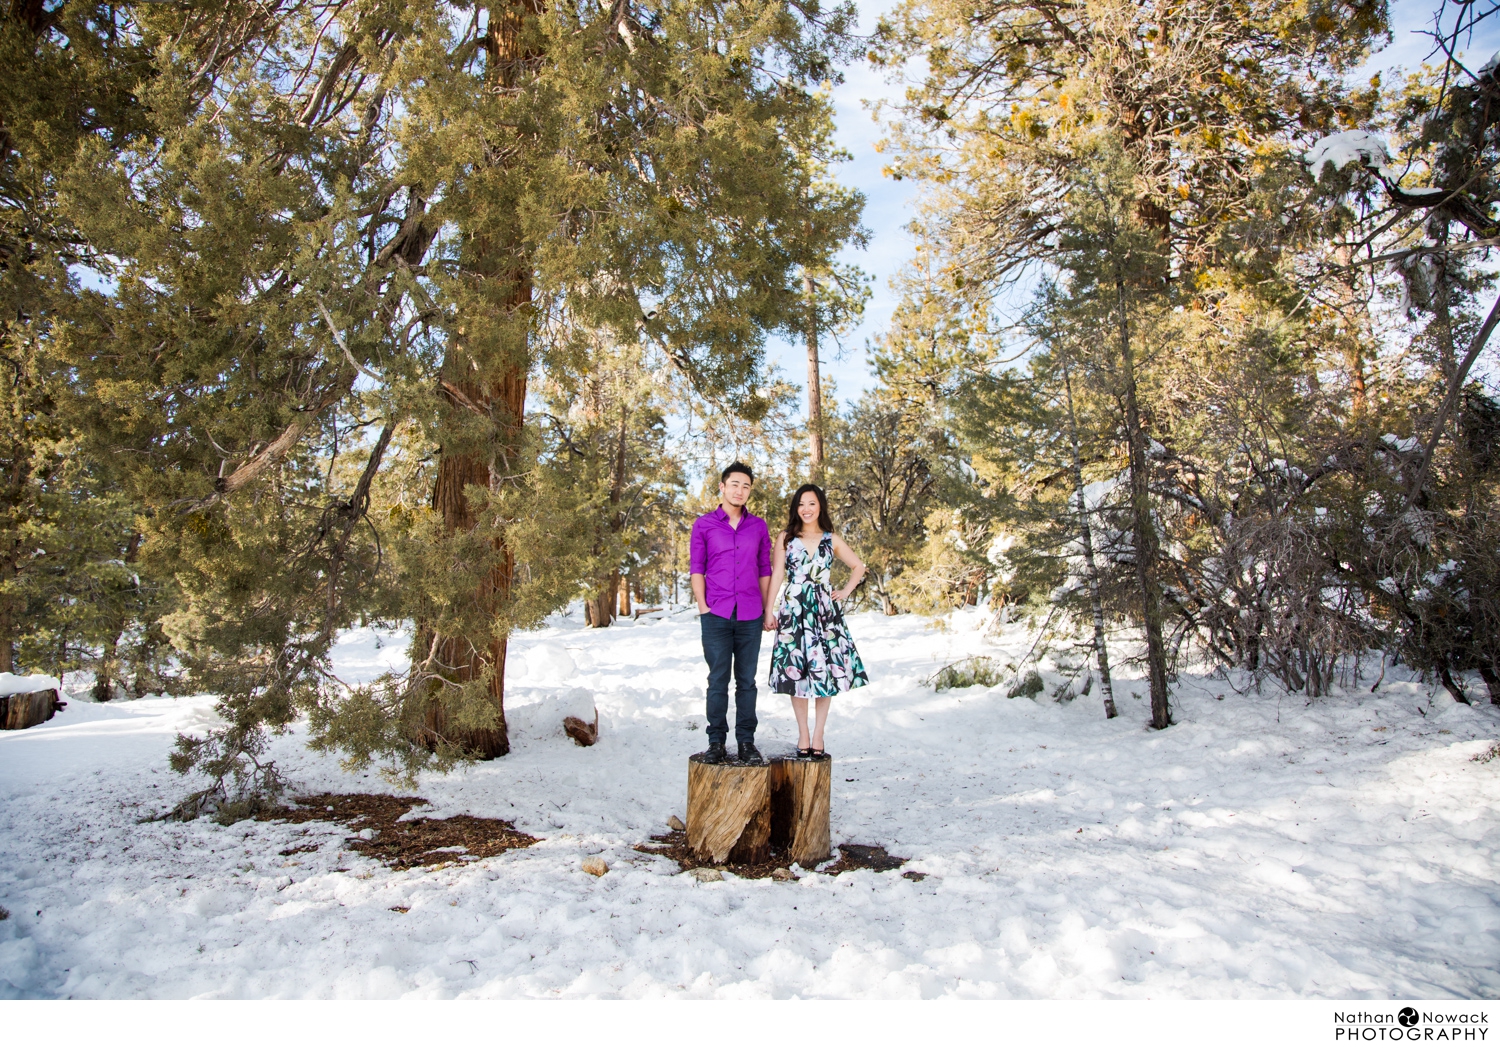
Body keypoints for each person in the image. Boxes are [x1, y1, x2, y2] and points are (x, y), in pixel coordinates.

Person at [764, 483, 868, 757]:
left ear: (820, 505)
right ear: (795, 508)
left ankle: (819, 733)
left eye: (811, 503)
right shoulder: (786, 538)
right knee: (795, 671)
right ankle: (803, 733)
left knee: (827, 671)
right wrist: (769, 609)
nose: (806, 509)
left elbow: (859, 566)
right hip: (794, 610)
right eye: (801, 504)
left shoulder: (830, 539)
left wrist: (844, 591)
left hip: (824, 612)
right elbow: (777, 574)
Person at [689, 462, 773, 764]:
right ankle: (716, 742)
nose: (740, 490)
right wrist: (703, 606)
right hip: (716, 614)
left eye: (746, 486)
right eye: (735, 484)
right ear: (722, 487)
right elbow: (697, 568)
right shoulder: (704, 525)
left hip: (750, 613)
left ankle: (747, 742)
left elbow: (765, 569)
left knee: (747, 681)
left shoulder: (758, 527)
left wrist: (767, 609)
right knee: (718, 680)